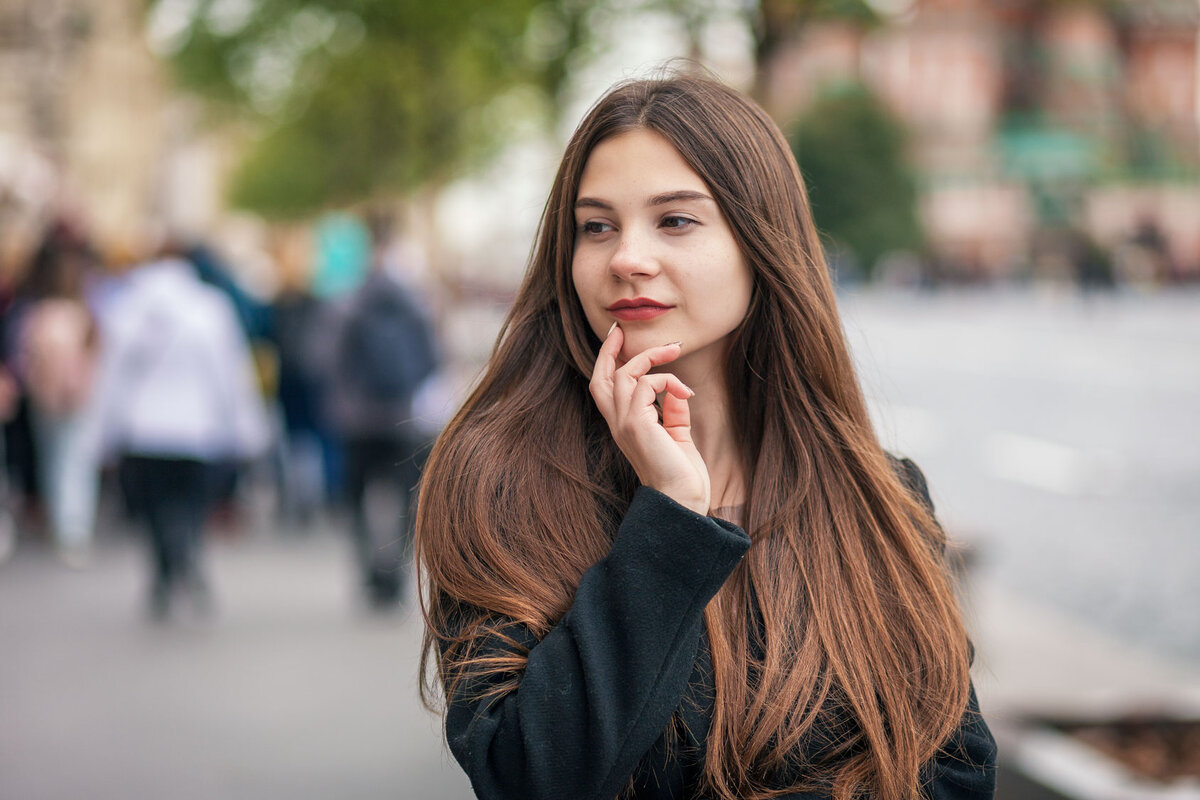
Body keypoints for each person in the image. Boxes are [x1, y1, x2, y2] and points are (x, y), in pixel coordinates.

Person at [415, 74, 996, 800]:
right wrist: (672, 518)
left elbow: (955, 767)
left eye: (676, 221)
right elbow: (534, 778)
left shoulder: (879, 492)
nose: (627, 257)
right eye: (596, 226)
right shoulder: (497, 485)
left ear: (763, 243)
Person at [83, 243, 270, 619]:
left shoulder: (128, 309)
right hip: (195, 429)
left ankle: (165, 572)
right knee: (189, 504)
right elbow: (229, 372)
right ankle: (187, 559)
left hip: (141, 431)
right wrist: (244, 426)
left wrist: (100, 433)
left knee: (153, 509)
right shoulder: (209, 308)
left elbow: (111, 378)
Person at [327, 213, 439, 607]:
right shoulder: (415, 303)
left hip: (357, 420)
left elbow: (330, 360)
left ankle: (367, 572)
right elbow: (432, 358)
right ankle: (396, 572)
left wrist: (344, 402)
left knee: (357, 499)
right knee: (406, 500)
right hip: (403, 418)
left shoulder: (348, 302)